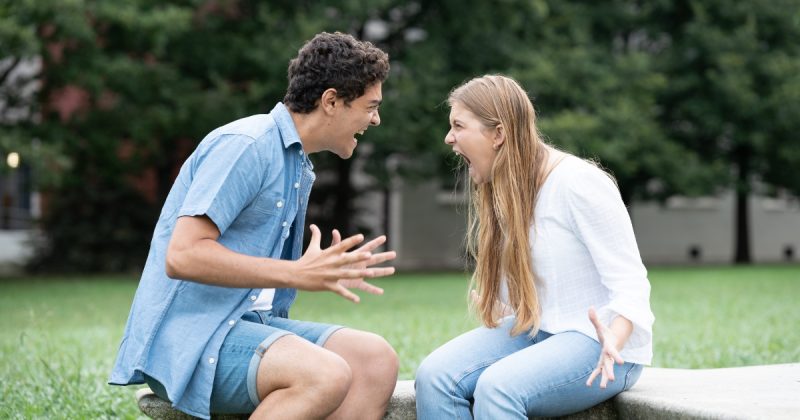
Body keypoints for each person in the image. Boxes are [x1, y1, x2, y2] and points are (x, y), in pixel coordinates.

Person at [109, 32, 399, 420]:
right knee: (325, 374)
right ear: (331, 101)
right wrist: (295, 272)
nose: (376, 119)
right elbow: (182, 255)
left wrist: (302, 274)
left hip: (252, 326)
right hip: (196, 337)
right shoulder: (246, 145)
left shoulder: (296, 163)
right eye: (371, 106)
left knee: (374, 360)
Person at [415, 75, 655, 419]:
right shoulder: (504, 190)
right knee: (434, 376)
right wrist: (502, 302)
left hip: (601, 342)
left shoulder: (579, 183)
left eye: (458, 125)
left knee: (497, 388)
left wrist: (615, 338)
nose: (448, 137)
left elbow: (631, 282)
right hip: (537, 331)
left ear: (498, 134)